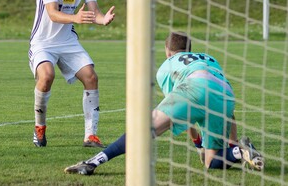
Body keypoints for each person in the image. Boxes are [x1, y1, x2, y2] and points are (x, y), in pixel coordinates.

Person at [64, 32, 265, 175]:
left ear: (168, 50)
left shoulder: (166, 66)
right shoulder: (209, 58)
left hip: (194, 87)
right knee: (212, 161)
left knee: (144, 129)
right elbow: (230, 116)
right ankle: (240, 151)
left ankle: (93, 162)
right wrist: (233, 142)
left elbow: (183, 116)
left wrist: (197, 145)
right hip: (226, 96)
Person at [28, 0, 115, 148]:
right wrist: (75, 18)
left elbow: (93, 10)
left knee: (91, 77)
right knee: (47, 76)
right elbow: (52, 13)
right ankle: (39, 128)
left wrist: (103, 20)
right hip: (43, 42)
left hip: (67, 41)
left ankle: (91, 136)